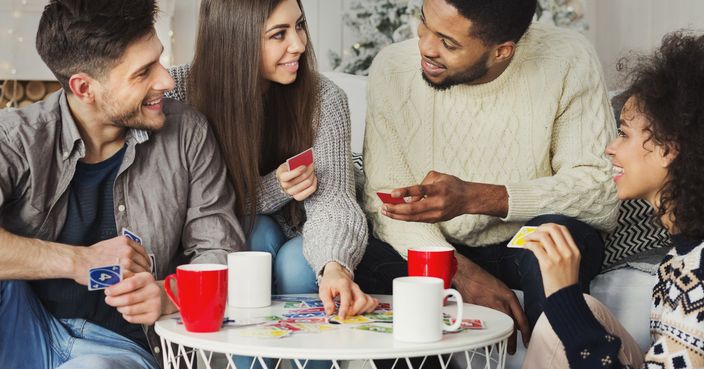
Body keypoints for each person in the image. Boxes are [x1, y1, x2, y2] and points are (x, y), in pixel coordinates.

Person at [354, 0, 619, 355]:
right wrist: (454, 269)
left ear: (502, 52)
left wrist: (476, 197)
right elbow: (385, 201)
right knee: (362, 253)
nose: (425, 47)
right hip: (433, 245)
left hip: (520, 242)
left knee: (559, 238)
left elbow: (600, 191)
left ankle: (550, 361)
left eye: (448, 43)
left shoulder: (568, 58)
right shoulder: (392, 67)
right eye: (424, 23)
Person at [0, 1, 244, 368]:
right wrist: (78, 261)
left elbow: (220, 250)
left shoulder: (187, 133)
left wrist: (168, 295)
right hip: (23, 327)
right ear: (84, 87)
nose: (167, 81)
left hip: (116, 349)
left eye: (158, 61)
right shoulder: (18, 137)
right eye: (143, 72)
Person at [166, 0, 376, 317]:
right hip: (227, 235)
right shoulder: (177, 93)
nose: (299, 45)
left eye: (300, 25)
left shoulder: (324, 98)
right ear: (236, 37)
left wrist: (335, 266)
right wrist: (275, 188)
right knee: (252, 236)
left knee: (298, 264)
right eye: (279, 34)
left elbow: (334, 199)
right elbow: (193, 208)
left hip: (307, 237)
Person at [522, 31, 704, 369]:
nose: (610, 148)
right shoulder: (676, 261)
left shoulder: (698, 269)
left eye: (623, 134)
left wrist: (564, 296)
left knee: (568, 311)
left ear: (667, 149)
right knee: (578, 313)